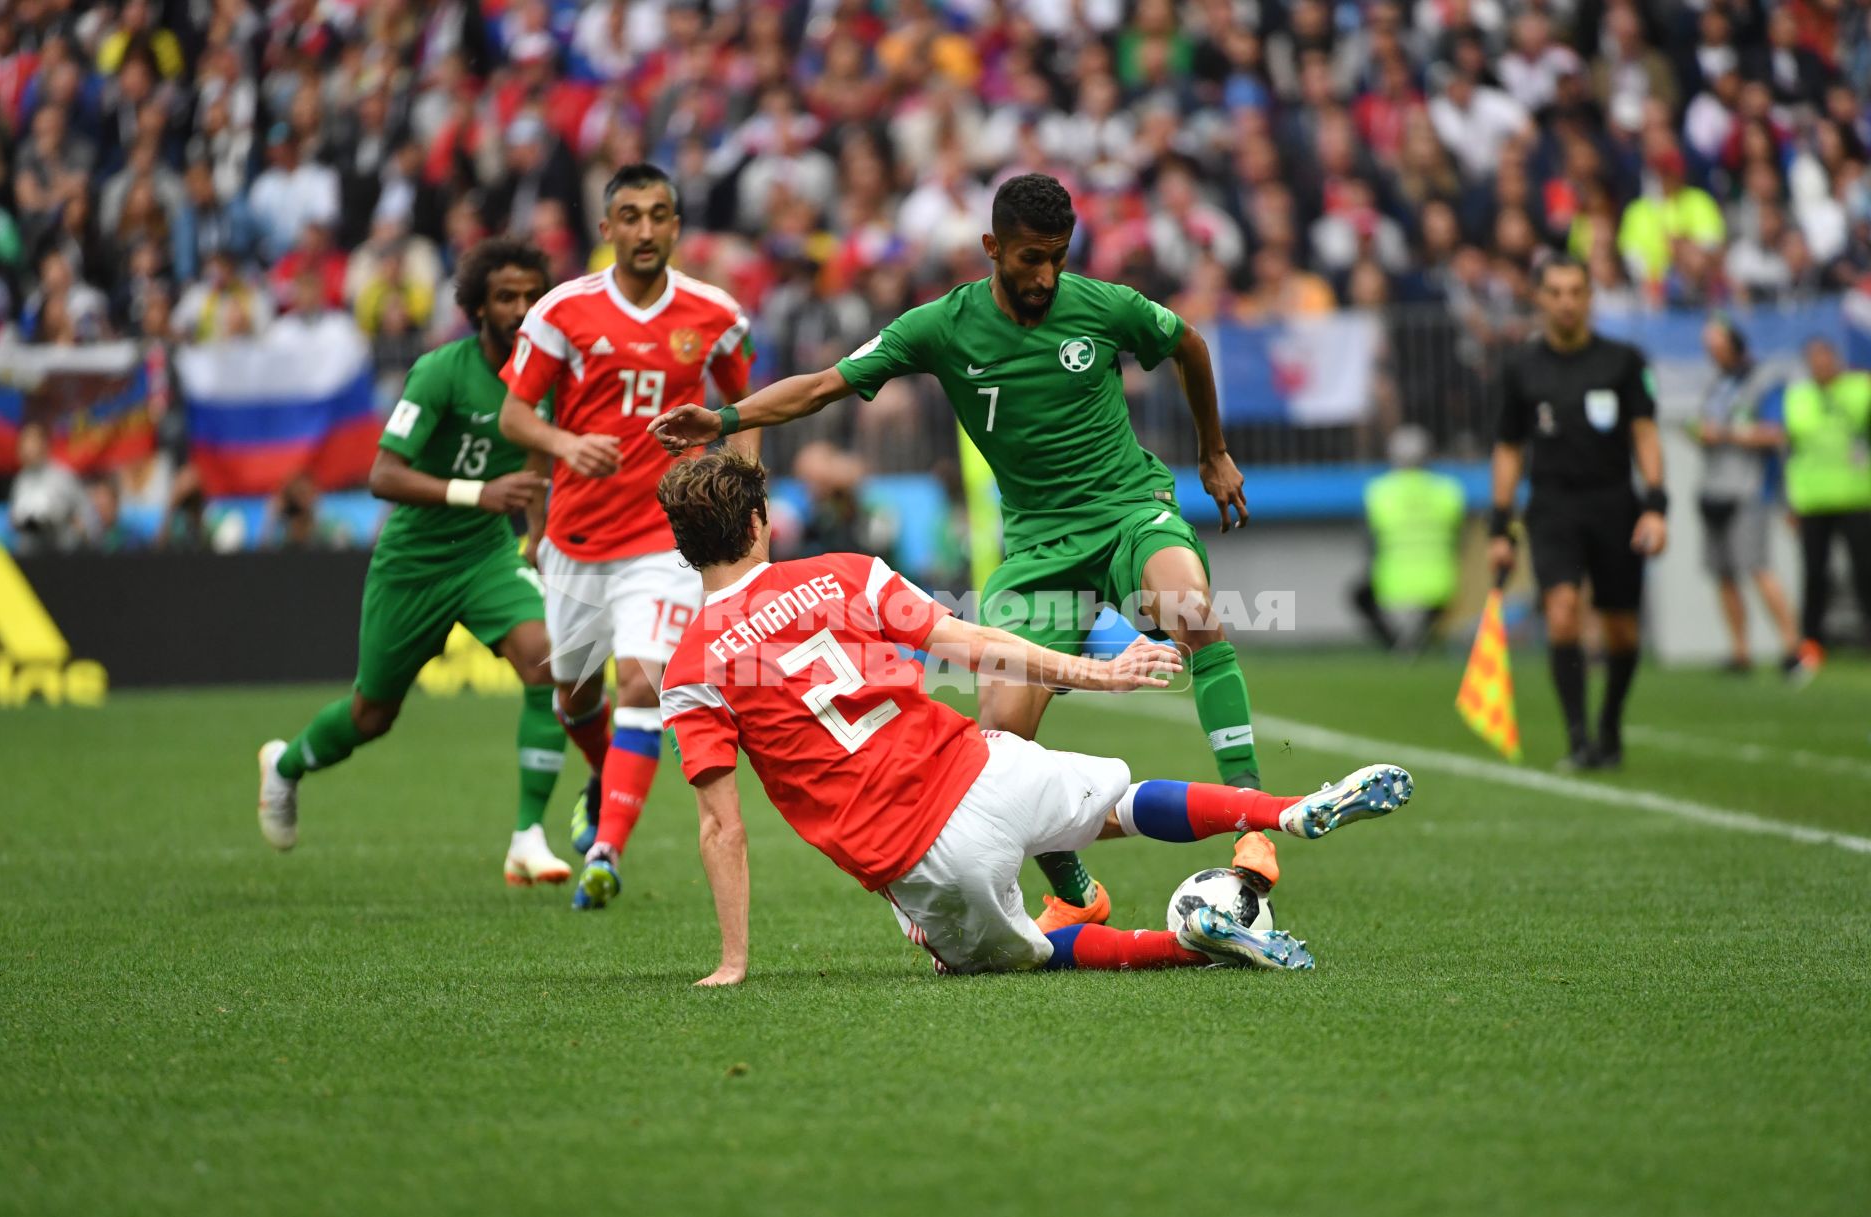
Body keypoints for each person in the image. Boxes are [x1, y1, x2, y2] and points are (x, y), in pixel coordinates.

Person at [650, 172, 1258, 938]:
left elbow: (1189, 345)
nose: (1045, 277)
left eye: (1058, 259)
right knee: (1000, 729)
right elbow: (824, 387)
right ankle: (1074, 890)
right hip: (1038, 543)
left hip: (1129, 507)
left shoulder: (1103, 306)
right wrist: (726, 415)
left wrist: (1214, 453)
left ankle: (1253, 828)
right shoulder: (941, 326)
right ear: (991, 248)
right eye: (1030, 259)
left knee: (1192, 613)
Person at [654, 452, 1414, 985]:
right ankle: (1284, 809)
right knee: (1119, 803)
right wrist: (1101, 670)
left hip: (920, 857)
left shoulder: (691, 666)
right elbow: (978, 643)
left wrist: (733, 960)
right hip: (981, 765)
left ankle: (1188, 947)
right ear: (759, 522)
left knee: (1035, 955)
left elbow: (723, 826)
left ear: (685, 548)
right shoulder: (842, 571)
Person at [256, 238, 572, 887]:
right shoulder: (439, 372)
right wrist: (477, 494)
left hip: (486, 554)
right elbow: (383, 475)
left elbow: (537, 468)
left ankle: (527, 836)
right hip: (414, 563)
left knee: (549, 660)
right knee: (373, 714)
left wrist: (538, 538)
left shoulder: (547, 379)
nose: (520, 308)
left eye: (532, 296)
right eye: (505, 297)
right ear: (477, 307)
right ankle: (286, 767)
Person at [498, 163, 757, 911]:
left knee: (643, 680)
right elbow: (516, 417)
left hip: (663, 536)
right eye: (631, 216)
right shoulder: (561, 312)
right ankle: (602, 775)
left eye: (660, 215)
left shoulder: (716, 315)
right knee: (572, 694)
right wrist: (565, 444)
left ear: (677, 225)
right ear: (606, 228)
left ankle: (606, 849)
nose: (646, 230)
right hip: (575, 541)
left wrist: (748, 519)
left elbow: (746, 411)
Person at [1489, 255, 1667, 770]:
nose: (1566, 302)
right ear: (1539, 299)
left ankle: (1610, 723)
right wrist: (1500, 525)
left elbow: (1645, 434)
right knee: (1563, 613)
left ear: (1589, 297)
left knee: (1622, 631)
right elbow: (1507, 447)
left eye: (1576, 292)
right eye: (1556, 292)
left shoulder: (1624, 361)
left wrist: (1656, 504)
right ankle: (1578, 736)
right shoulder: (1521, 367)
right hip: (1552, 506)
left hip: (1615, 502)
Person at [1691, 317, 1799, 675]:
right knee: (1724, 573)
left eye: (1719, 347)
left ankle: (1791, 646)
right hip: (1713, 487)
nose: (1714, 355)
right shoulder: (1715, 384)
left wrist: (1724, 434)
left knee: (1757, 566)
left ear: (1736, 346)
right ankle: (1740, 651)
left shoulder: (1763, 382)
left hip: (1748, 489)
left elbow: (1776, 433)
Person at [1761, 337, 1871, 681]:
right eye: (1815, 360)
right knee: (1814, 575)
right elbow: (1791, 445)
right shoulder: (1798, 396)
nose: (1822, 365)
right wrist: (1788, 500)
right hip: (1812, 499)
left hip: (1857, 496)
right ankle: (1811, 646)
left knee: (1866, 572)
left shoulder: (1861, 388)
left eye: (1827, 358)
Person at [1355, 426, 1465, 651]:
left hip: (1391, 582)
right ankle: (1419, 638)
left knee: (1359, 595)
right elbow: (1458, 540)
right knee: (1441, 596)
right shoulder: (1448, 490)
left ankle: (1394, 643)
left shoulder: (1379, 491)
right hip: (1441, 583)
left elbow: (1369, 543)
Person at [8, 423, 91, 554]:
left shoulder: (63, 477)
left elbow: (86, 520)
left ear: (44, 445)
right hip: (30, 554)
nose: (26, 448)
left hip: (61, 553)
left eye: (31, 442)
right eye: (23, 443)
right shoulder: (20, 480)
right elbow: (14, 518)